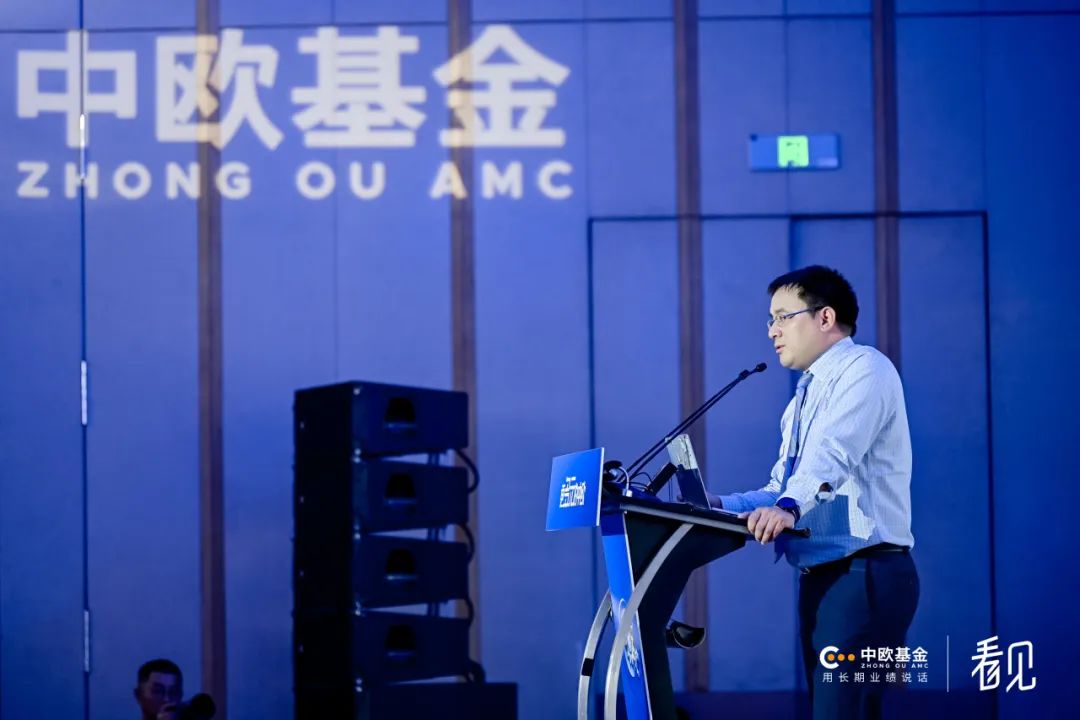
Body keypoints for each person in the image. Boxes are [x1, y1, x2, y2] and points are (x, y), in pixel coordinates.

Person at [712, 265, 919, 720]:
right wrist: (715, 507)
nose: (772, 331)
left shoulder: (866, 369)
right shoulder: (802, 399)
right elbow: (780, 488)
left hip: (863, 574)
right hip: (824, 579)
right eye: (770, 320)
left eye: (783, 317)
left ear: (825, 317)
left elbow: (833, 455)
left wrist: (788, 506)